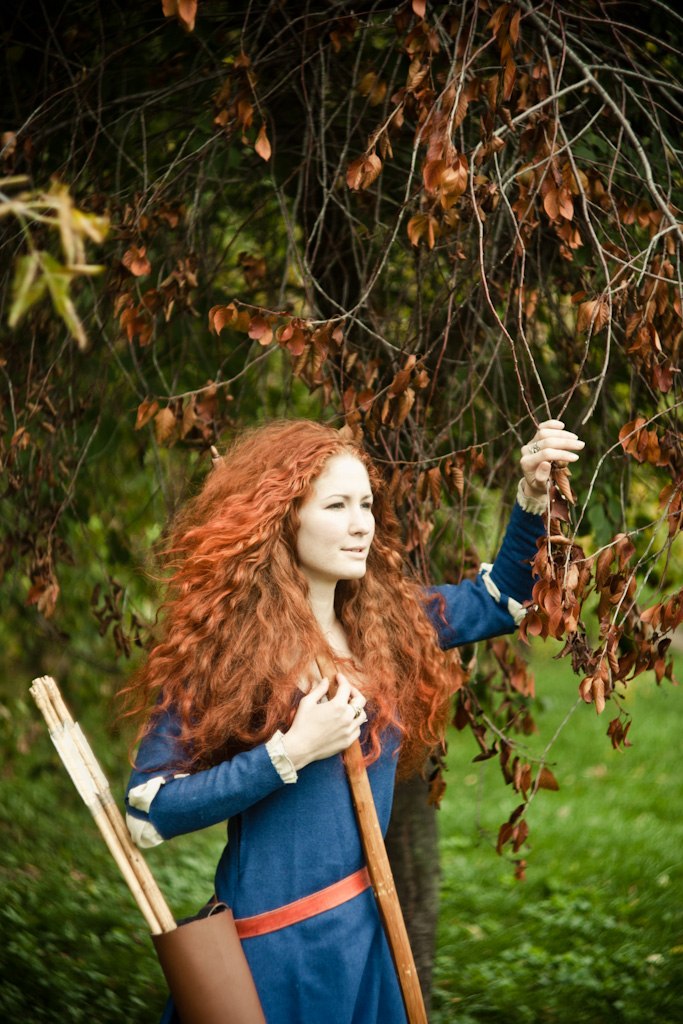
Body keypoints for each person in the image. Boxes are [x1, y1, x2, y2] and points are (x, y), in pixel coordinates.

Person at [122, 417, 584, 1023]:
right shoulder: (224, 654)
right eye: (336, 505)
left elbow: (502, 600)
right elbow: (148, 811)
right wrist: (286, 755)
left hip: (365, 934)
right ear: (283, 517)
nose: (360, 523)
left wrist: (532, 497)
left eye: (365, 503)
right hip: (268, 953)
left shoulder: (385, 624)